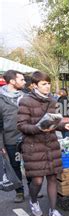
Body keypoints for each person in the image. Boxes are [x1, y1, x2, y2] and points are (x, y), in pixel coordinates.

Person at [17, 71, 69, 216]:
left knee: (53, 178)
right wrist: (38, 128)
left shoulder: (53, 101)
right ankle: (33, 201)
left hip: (51, 145)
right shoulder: (26, 101)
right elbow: (22, 126)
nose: (47, 86)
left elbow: (53, 122)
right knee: (37, 180)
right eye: (44, 84)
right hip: (33, 147)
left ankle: (53, 210)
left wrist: (63, 126)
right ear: (34, 85)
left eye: (48, 83)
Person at [0, 70, 27, 202]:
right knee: (15, 166)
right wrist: (1, 145)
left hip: (28, 137)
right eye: (21, 79)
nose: (24, 82)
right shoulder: (0, 99)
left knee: (30, 165)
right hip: (10, 140)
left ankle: (33, 189)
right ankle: (19, 191)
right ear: (12, 81)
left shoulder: (25, 96)